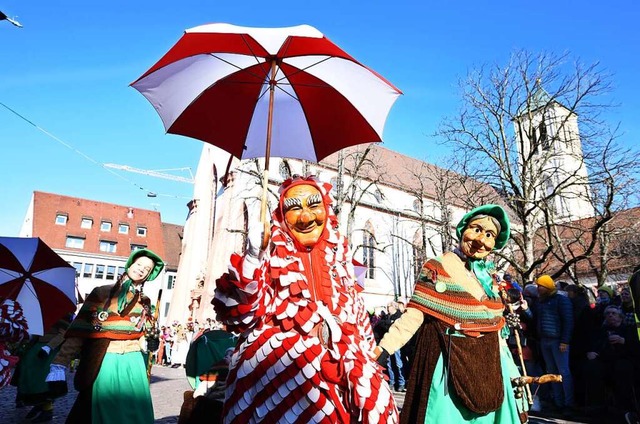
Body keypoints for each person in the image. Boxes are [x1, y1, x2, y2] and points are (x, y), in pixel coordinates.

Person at [214, 176, 398, 423]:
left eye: (314, 206)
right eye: (294, 208)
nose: (306, 218)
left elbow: (355, 312)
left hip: (343, 371)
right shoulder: (269, 255)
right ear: (281, 215)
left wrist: (365, 351)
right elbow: (242, 315)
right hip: (281, 378)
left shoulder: (339, 258)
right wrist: (253, 255)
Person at [375, 204, 527, 423]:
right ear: (463, 229)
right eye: (476, 229)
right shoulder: (438, 267)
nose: (480, 240)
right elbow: (415, 313)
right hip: (448, 362)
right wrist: (385, 348)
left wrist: (509, 365)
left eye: (489, 235)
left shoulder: (490, 277)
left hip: (491, 364)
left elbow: (494, 323)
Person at [46, 248, 164, 424]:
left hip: (133, 365)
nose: (141, 269)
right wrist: (60, 363)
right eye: (139, 264)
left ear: (149, 275)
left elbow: (141, 336)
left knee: (134, 414)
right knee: (103, 411)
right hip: (105, 360)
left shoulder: (145, 302)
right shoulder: (101, 293)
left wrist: (149, 342)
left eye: (146, 269)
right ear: (130, 264)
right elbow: (79, 332)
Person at [584, 305, 640, 422]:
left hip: (623, 360)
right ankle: (597, 407)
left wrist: (623, 341)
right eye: (608, 314)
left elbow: (635, 347)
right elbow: (594, 345)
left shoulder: (628, 330)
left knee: (623, 370)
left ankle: (624, 409)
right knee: (592, 368)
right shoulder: (601, 330)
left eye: (614, 313)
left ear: (620, 317)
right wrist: (592, 352)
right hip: (605, 360)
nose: (610, 315)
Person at [528, 274, 574, 415]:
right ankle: (558, 402)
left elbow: (568, 321)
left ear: (546, 287)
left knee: (563, 373)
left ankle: (568, 403)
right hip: (545, 340)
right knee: (551, 373)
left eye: (540, 286)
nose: (538, 288)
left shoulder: (561, 300)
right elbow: (534, 318)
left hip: (558, 341)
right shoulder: (540, 302)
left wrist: (565, 341)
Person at [13, 314, 72, 423]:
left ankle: (47, 410)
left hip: (49, 349)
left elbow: (63, 333)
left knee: (43, 380)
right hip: (38, 346)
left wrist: (49, 347)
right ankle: (39, 404)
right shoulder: (41, 312)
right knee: (28, 372)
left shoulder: (60, 312)